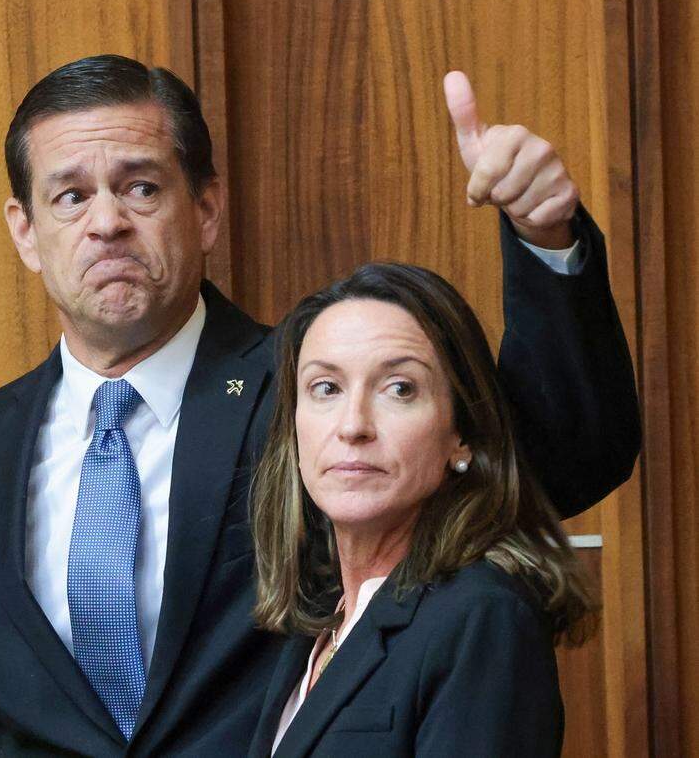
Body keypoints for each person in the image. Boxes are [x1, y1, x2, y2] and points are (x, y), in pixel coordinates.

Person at [0, 55, 639, 756]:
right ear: (25, 231)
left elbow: (560, 461)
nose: (108, 222)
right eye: (71, 196)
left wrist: (545, 235)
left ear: (207, 208)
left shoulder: (317, 393)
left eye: (142, 187)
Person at [246, 263, 594, 757]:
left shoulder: (483, 616)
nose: (353, 426)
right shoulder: (323, 621)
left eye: (399, 389)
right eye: (326, 388)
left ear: (462, 434)